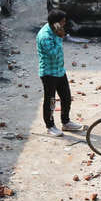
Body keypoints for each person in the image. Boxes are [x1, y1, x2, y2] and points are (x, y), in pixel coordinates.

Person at [37, 9, 84, 137]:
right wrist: (59, 37)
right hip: (49, 73)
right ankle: (50, 126)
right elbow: (53, 54)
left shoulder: (55, 30)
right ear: (55, 23)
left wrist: (59, 35)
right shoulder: (45, 36)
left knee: (66, 97)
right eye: (62, 22)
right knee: (51, 101)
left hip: (59, 71)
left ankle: (66, 122)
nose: (64, 24)